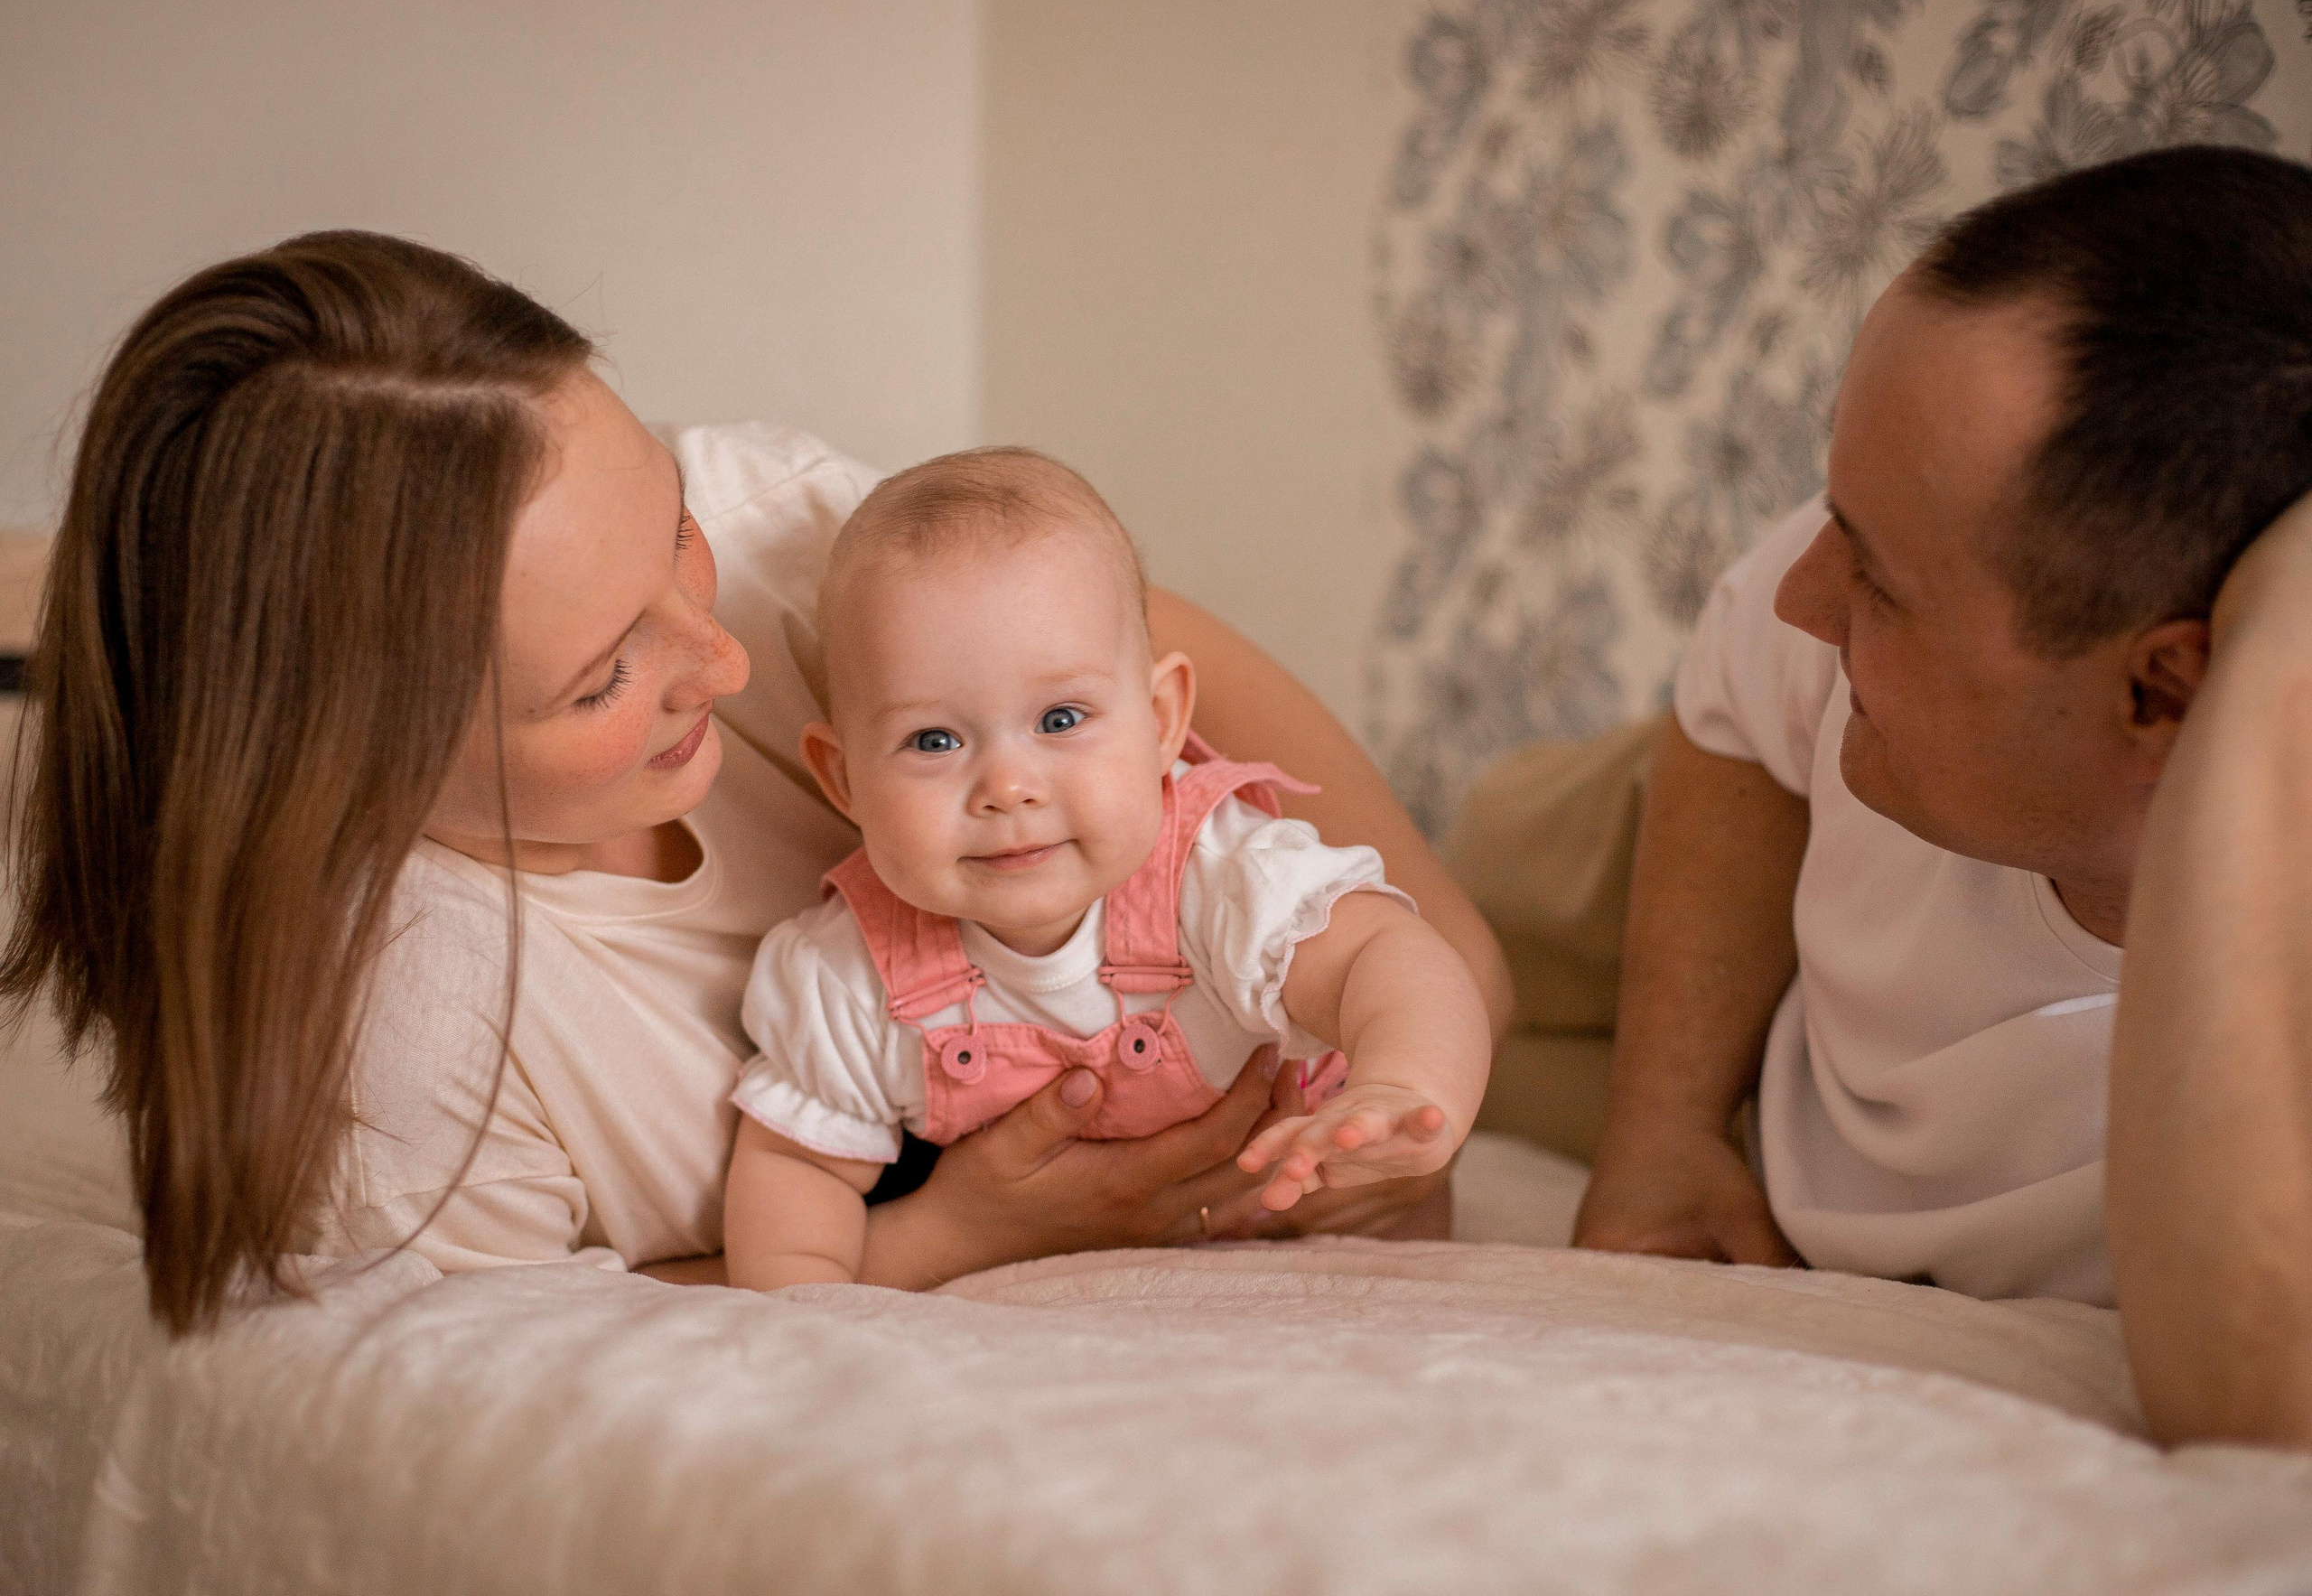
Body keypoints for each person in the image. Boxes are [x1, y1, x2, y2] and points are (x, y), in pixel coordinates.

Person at [1, 230, 1514, 1335]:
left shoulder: (782, 533)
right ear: (359, 767)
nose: (723, 664)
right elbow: (596, 1330)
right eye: (603, 679)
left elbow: (1118, 639)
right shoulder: (402, 1058)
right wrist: (966, 1231)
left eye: (670, 532)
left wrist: (1447, 968)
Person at [1571, 146, 2312, 1445]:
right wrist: (1664, 1122)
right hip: (1686, 865)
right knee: (1403, 905)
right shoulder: (1837, 620)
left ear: (2168, 694)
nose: (1808, 593)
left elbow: (2266, 1420)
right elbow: (1745, 681)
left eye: (1875, 584)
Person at [722, 449, 1491, 1288]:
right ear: (844, 779)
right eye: (934, 741)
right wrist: (804, 1313)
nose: (1009, 788)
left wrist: (1405, 1085)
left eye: (1060, 718)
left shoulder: (1216, 874)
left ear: (1162, 722)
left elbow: (1387, 957)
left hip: (1319, 1218)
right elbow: (799, 1171)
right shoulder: (847, 976)